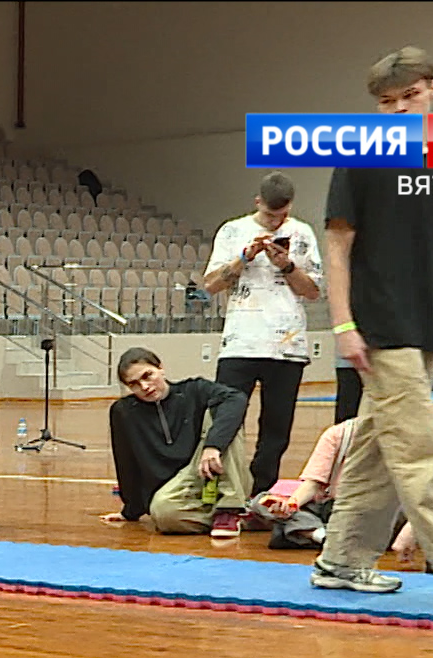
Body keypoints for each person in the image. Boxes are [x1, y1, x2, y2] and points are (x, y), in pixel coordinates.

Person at [313, 46, 433, 602]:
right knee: (421, 445)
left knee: (377, 447)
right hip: (380, 325)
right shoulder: (358, 156)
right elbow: (338, 243)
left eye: (410, 96)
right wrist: (343, 323)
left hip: (424, 324)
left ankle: (341, 560)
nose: (399, 110)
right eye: (386, 102)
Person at [199, 171, 325, 496]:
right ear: (257, 203)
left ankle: (259, 494)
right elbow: (211, 285)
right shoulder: (232, 230)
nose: (274, 223)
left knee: (276, 429)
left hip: (287, 346)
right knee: (226, 420)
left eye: (281, 216)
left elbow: (312, 292)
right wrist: (244, 258)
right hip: (240, 342)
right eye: (270, 215)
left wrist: (287, 265)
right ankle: (223, 491)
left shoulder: (302, 233)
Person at [100, 348, 251, 538]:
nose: (145, 386)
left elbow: (237, 399)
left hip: (214, 469)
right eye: (135, 384)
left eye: (148, 375)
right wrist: (130, 510)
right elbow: (125, 461)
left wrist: (213, 446)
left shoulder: (195, 390)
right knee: (163, 514)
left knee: (225, 415)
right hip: (178, 490)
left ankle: (230, 508)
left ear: (161, 368)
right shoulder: (123, 412)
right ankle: (243, 517)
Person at [251, 417, 363, 549]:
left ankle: (306, 533)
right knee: (260, 501)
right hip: (329, 506)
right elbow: (312, 484)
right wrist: (289, 506)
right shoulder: (340, 433)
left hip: (367, 513)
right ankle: (321, 535)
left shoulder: (390, 440)